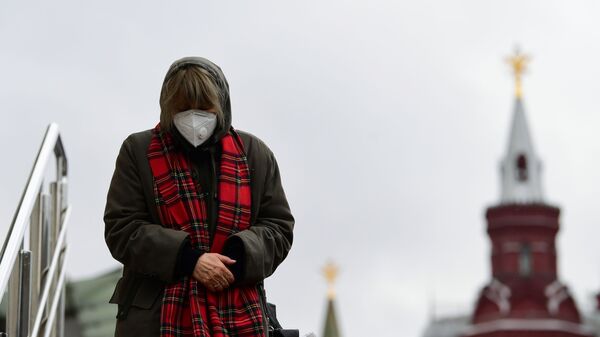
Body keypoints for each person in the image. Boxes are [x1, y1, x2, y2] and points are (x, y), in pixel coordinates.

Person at [104, 57, 294, 337]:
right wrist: (189, 260)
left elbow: (279, 227)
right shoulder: (138, 150)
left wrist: (236, 257)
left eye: (204, 108)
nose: (193, 118)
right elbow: (122, 228)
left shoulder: (255, 154)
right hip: (156, 320)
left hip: (239, 313)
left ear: (221, 107)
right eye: (182, 109)